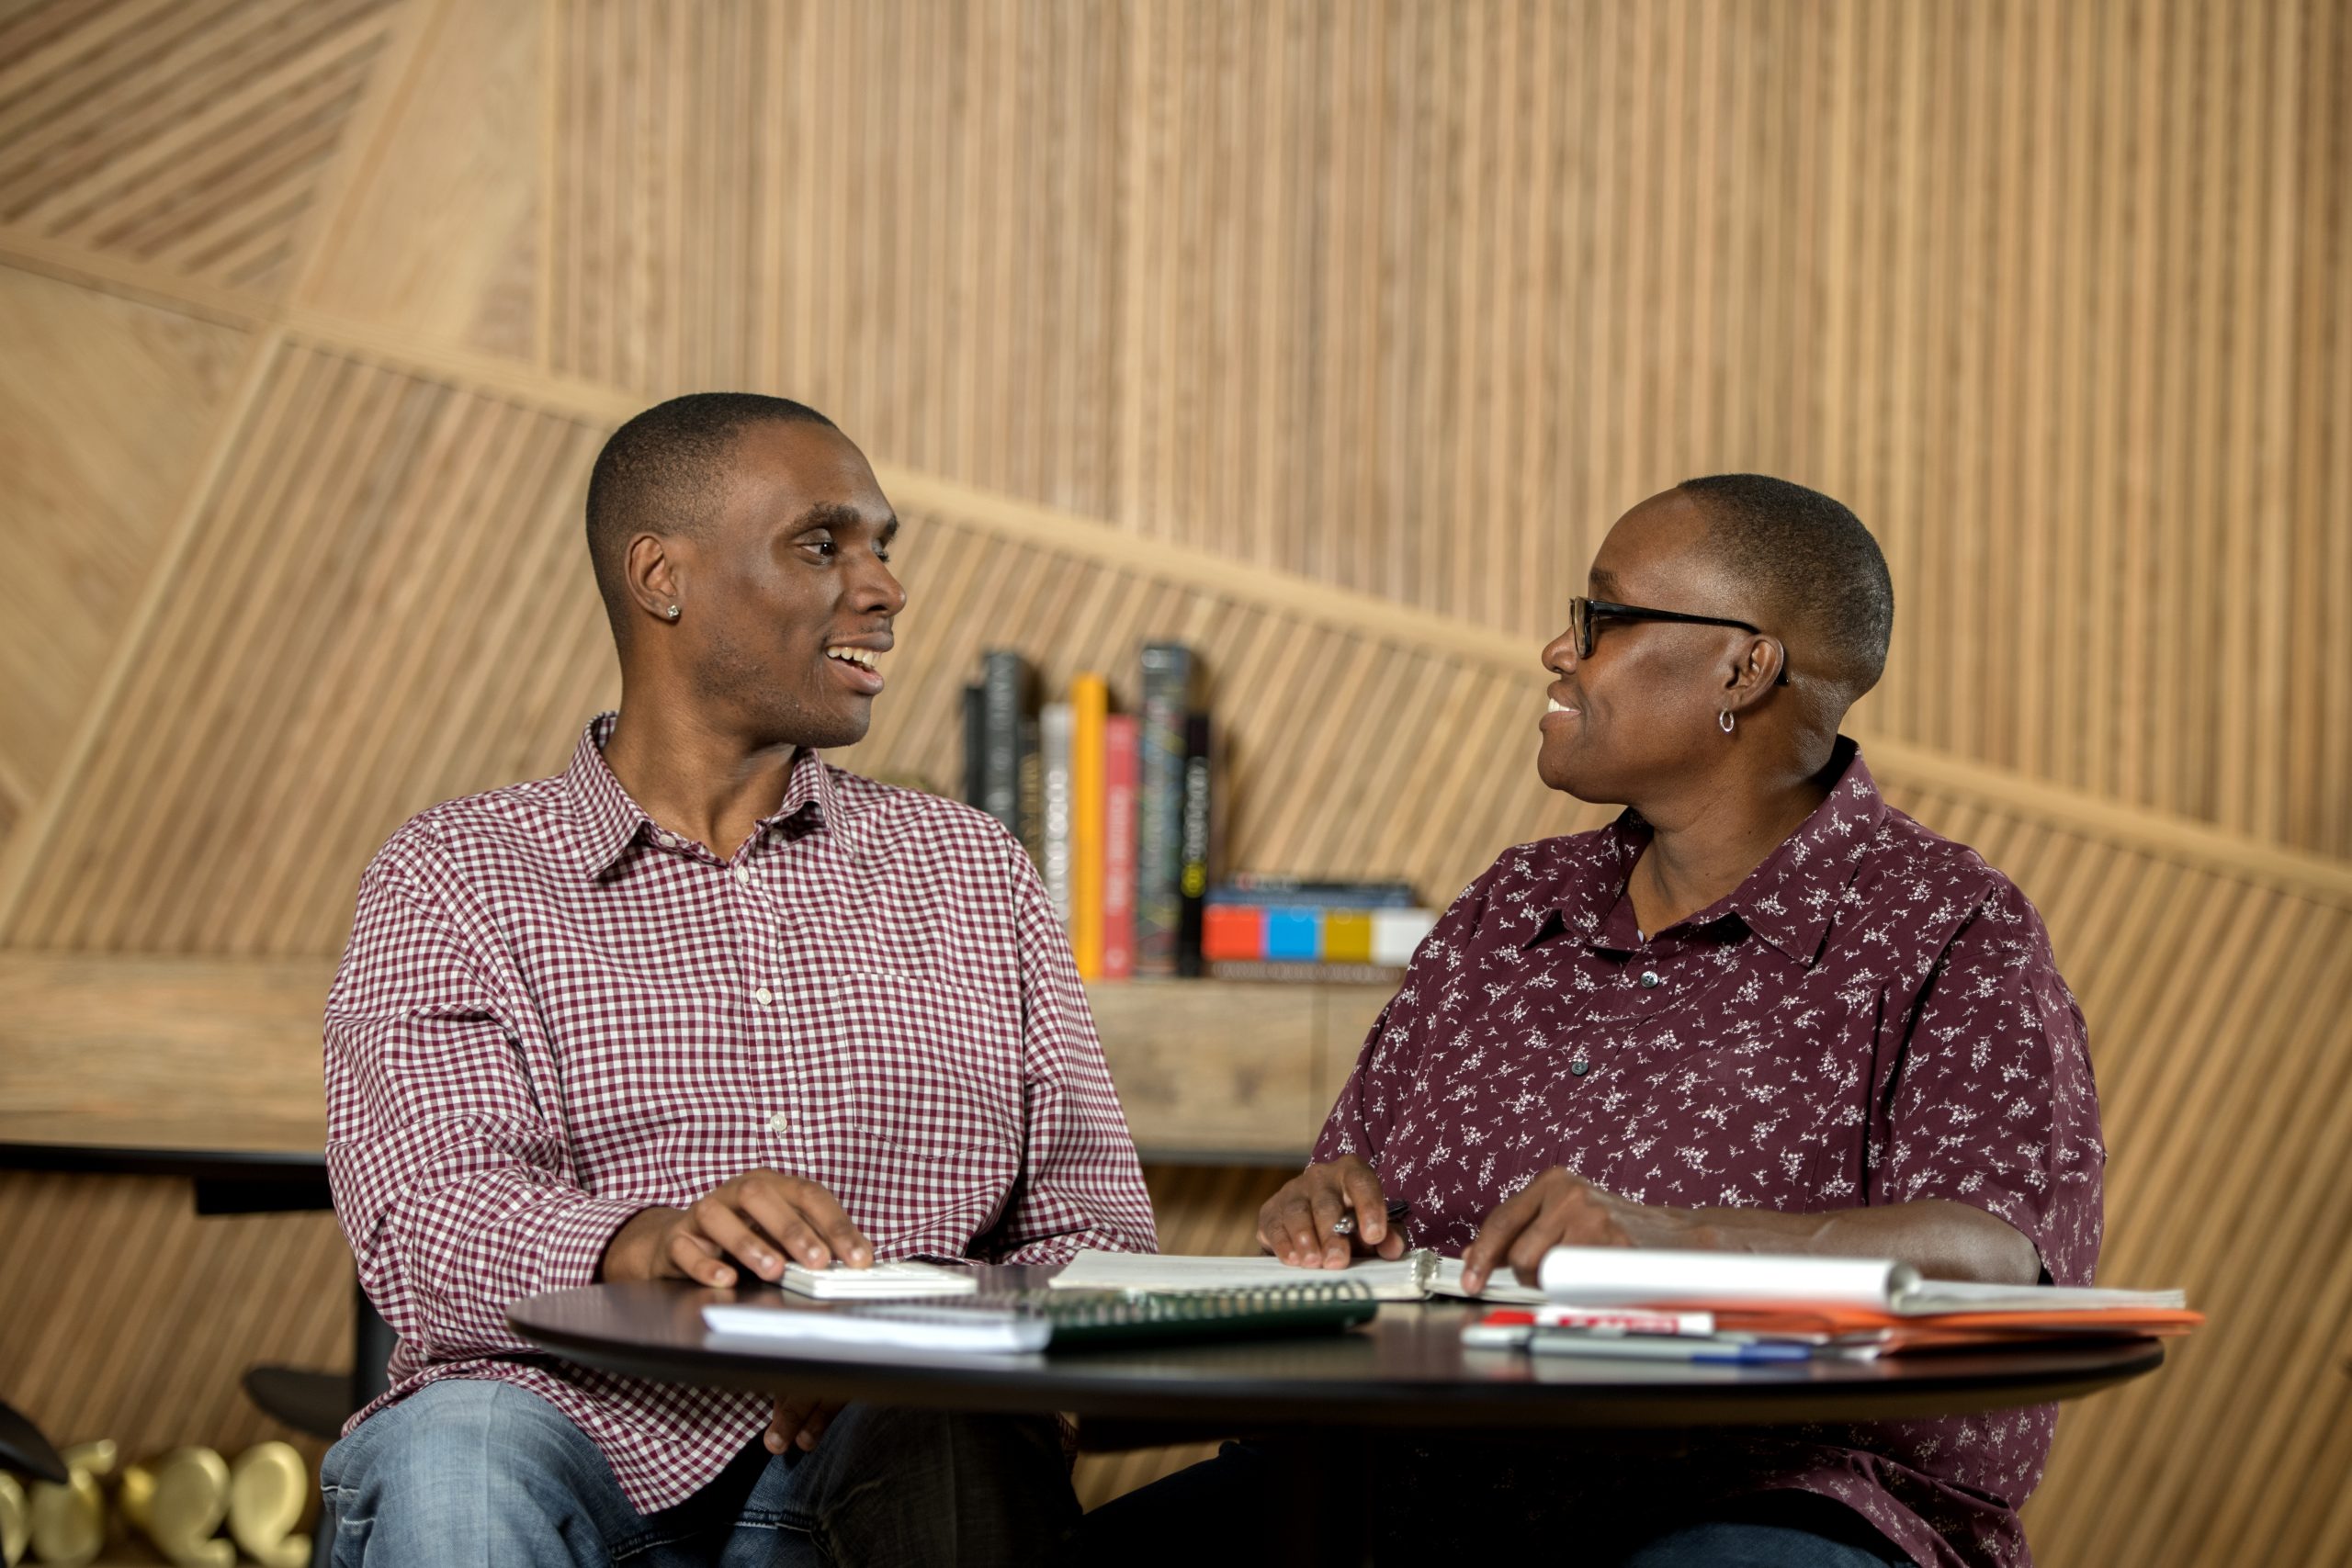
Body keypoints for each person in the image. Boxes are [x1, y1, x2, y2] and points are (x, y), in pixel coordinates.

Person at [1085, 476, 2101, 1568]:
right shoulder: (1512, 903)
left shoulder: (1945, 925)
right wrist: (1324, 1210)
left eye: (1601, 617)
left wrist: (1677, 1239)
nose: (1557, 651)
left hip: (1765, 1495)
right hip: (1403, 1477)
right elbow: (1353, 1184)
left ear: (1744, 668)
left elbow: (1998, 1256)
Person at [319, 393, 1158, 1567]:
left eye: (881, 547)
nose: (884, 588)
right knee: (454, 1450)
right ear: (661, 577)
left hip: (877, 1461)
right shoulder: (455, 874)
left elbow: (1093, 1236)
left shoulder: (971, 871)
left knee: (954, 1432)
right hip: (564, 1443)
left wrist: (908, 1342)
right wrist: (645, 1244)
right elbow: (427, 1222)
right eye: (821, 544)